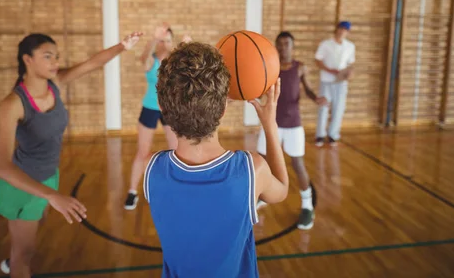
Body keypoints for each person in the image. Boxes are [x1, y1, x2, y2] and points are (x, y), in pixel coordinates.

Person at [0, 31, 142, 278]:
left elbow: (93, 63)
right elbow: (1, 167)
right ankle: (16, 263)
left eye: (57, 57)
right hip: (23, 185)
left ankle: (15, 255)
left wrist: (123, 46)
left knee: (31, 231)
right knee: (25, 254)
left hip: (48, 176)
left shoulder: (55, 84)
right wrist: (52, 195)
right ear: (27, 60)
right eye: (47, 56)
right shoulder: (13, 104)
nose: (55, 62)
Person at [144, 42, 289, 277]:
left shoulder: (152, 170)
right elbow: (281, 190)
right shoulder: (251, 169)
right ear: (223, 108)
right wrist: (269, 125)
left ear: (162, 107)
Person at [256, 31, 327, 230]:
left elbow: (309, 90)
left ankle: (306, 206)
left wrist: (317, 99)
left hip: (294, 124)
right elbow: (261, 89)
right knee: (262, 162)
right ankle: (263, 196)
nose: (283, 47)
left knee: (297, 164)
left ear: (292, 47)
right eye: (279, 44)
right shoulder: (271, 68)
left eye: (286, 44)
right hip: (272, 123)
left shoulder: (300, 68)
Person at [124, 23, 191, 210]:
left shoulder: (176, 62)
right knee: (142, 152)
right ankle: (132, 192)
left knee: (176, 152)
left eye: (168, 40)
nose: (164, 44)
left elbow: (191, 69)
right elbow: (143, 57)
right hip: (150, 108)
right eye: (161, 40)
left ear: (172, 43)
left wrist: (187, 48)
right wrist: (153, 38)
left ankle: (178, 189)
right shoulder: (150, 60)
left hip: (170, 109)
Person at [314, 21, 356, 147]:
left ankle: (333, 134)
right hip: (327, 79)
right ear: (337, 29)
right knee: (324, 107)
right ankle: (320, 135)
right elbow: (318, 60)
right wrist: (329, 70)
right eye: (341, 29)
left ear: (347, 32)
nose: (342, 31)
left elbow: (350, 64)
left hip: (341, 81)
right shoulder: (326, 44)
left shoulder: (350, 46)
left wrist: (349, 73)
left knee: (339, 108)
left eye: (345, 30)